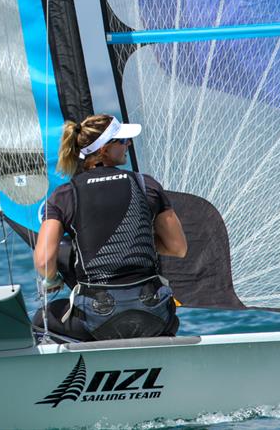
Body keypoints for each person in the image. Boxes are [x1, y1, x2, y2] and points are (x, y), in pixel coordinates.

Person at [32, 114, 187, 341]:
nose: (128, 144)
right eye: (123, 141)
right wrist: (136, 239)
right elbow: (178, 248)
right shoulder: (146, 185)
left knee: (41, 318)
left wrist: (52, 279)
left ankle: (91, 373)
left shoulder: (64, 195)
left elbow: (44, 261)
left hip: (96, 322)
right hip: (157, 318)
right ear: (104, 149)